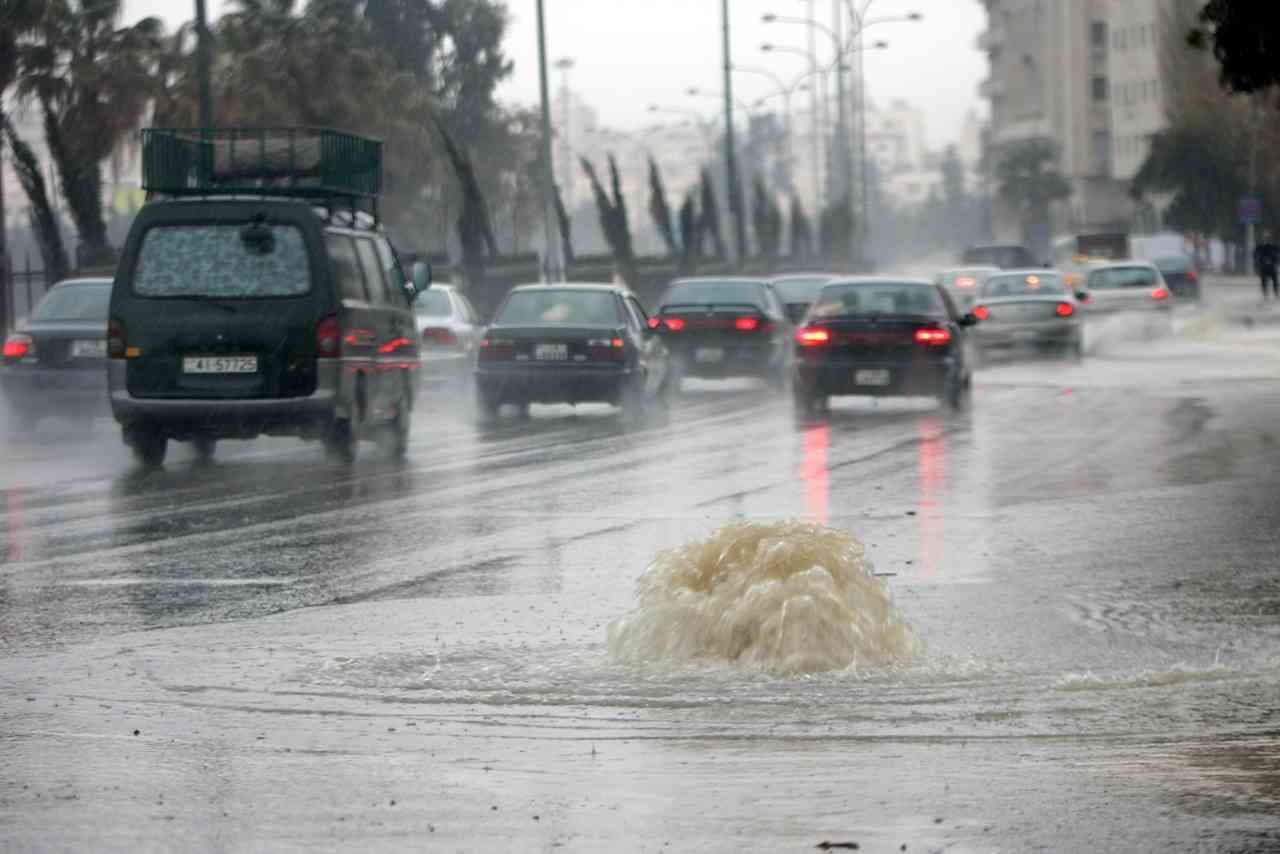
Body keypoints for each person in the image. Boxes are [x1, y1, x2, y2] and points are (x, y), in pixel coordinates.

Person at [1254, 230, 1279, 299]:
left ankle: (1276, 292)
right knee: (1264, 281)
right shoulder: (1260, 246)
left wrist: (1276, 261)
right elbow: (1255, 254)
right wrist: (1258, 262)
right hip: (1263, 266)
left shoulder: (1274, 246)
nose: (1267, 238)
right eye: (1265, 237)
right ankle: (1265, 293)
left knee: (1275, 280)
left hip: (1272, 266)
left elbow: (1277, 254)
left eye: (1268, 237)